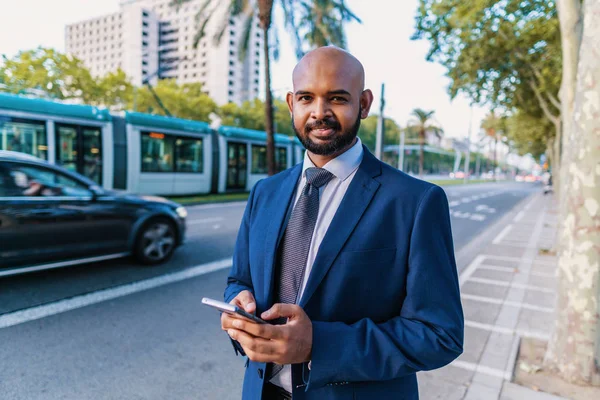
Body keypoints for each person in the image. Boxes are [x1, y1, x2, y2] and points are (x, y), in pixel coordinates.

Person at [221, 46, 464, 400]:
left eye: (336, 98)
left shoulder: (416, 202)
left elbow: (440, 335)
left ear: (364, 104)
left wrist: (318, 345)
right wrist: (238, 306)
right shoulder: (265, 192)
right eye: (306, 98)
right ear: (292, 104)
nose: (319, 113)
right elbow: (238, 279)